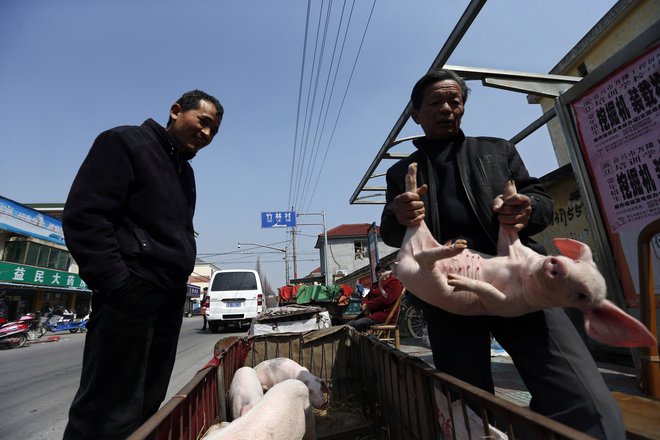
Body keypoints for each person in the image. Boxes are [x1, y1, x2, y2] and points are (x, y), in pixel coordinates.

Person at [380, 69, 624, 439]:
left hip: (524, 286)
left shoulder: (497, 150)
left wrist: (526, 209)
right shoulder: (401, 172)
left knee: (585, 400)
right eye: (435, 103)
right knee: (468, 406)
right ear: (415, 113)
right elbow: (392, 232)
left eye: (455, 101)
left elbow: (540, 202)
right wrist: (398, 215)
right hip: (449, 295)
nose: (447, 108)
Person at [62, 90, 223, 439]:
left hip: (167, 300)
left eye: (214, 131)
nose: (207, 134)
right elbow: (85, 217)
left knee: (148, 404)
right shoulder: (124, 142)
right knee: (106, 411)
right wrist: (119, 285)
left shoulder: (185, 173)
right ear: (176, 111)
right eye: (203, 122)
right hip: (130, 295)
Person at [347, 264, 403, 332]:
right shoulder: (375, 285)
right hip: (371, 313)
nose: (381, 273)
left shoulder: (393, 282)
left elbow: (387, 299)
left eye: (383, 271)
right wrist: (364, 305)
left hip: (384, 314)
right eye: (379, 272)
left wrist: (368, 306)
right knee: (349, 325)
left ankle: (368, 341)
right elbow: (367, 297)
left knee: (358, 324)